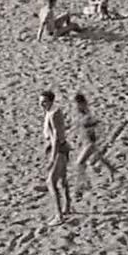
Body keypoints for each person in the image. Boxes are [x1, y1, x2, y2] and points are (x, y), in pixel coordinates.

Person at [41, 90, 72, 225]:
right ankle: (68, 206)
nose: (41, 104)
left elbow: (56, 138)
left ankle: (59, 215)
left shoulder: (53, 114)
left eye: (44, 101)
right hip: (62, 149)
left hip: (58, 150)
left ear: (51, 101)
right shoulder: (52, 111)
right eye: (40, 101)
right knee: (62, 179)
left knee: (50, 182)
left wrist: (52, 158)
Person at [74, 92, 117, 179]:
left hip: (90, 142)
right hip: (87, 142)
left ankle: (84, 182)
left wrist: (91, 126)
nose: (76, 106)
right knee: (100, 158)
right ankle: (113, 171)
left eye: (77, 104)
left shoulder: (86, 114)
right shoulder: (82, 114)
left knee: (80, 162)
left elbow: (93, 126)